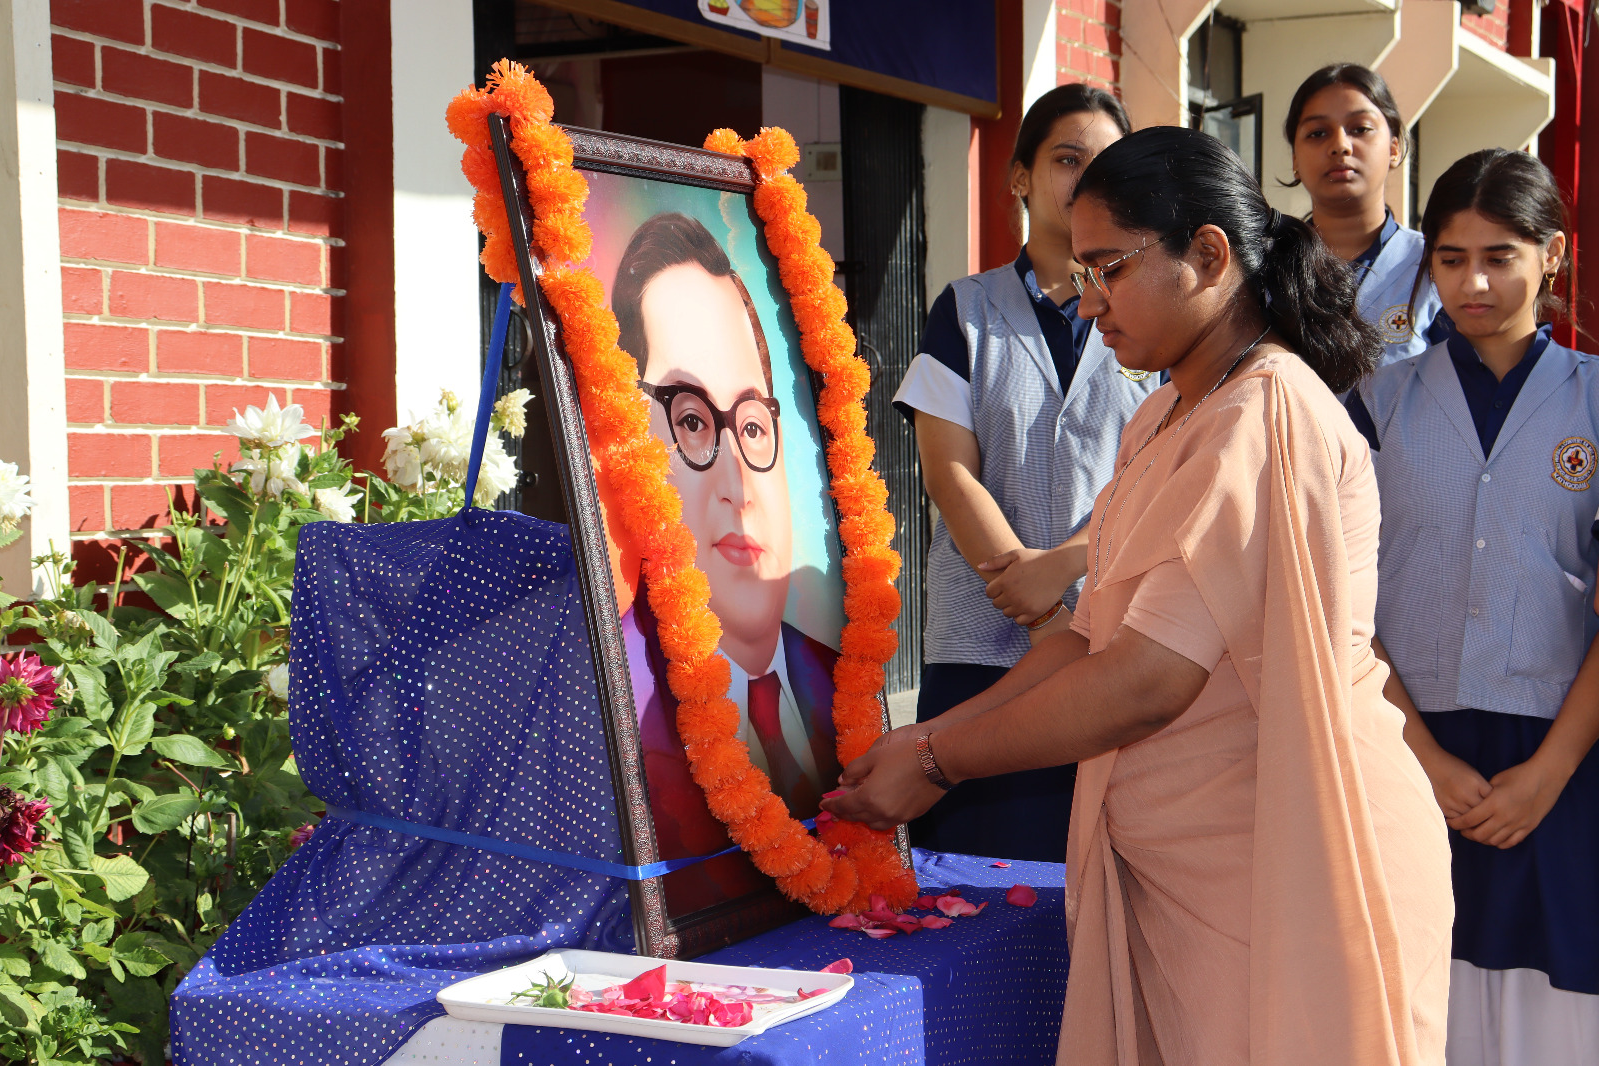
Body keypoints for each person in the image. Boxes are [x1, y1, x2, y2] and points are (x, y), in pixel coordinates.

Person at [826, 126, 1453, 1064]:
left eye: (1109, 269)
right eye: (1081, 273)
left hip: (1286, 857)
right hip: (1191, 869)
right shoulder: (1165, 410)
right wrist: (921, 741)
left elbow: (1145, 679)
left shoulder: (1264, 409)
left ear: (1208, 255)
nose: (1088, 304)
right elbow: (1087, 637)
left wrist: (943, 762)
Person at [1346, 149, 1599, 1066]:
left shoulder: (1596, 402)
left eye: (1500, 255)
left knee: (1555, 1011)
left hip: (1559, 761)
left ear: (1553, 256)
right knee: (1412, 991)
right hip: (1402, 747)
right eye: (1451, 259)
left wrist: (1548, 773)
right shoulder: (1374, 405)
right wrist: (1424, 756)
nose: (1476, 281)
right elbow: (1339, 606)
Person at [890, 84, 1157, 861]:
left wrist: (1067, 566)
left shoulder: (1152, 312)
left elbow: (1159, 472)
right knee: (970, 875)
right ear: (1019, 177)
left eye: (1104, 164)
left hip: (1111, 645)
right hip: (981, 641)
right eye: (1067, 159)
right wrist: (1033, 603)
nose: (1085, 179)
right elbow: (949, 473)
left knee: (1094, 889)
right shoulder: (966, 310)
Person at [611, 212, 842, 914]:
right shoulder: (612, 709)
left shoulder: (842, 687)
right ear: (623, 447)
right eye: (689, 421)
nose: (738, 482)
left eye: (750, 425)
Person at [1285, 63, 1447, 365]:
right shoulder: (1262, 268)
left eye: (1360, 129)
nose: (1340, 146)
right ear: (1295, 158)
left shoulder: (1436, 266)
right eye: (1318, 133)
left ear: (1394, 148)